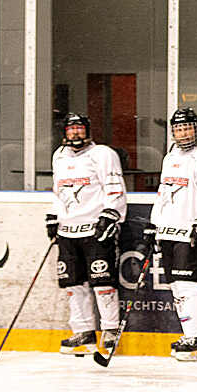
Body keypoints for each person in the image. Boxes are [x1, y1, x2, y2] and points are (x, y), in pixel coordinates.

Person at [146, 108, 197, 361]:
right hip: (168, 231)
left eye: (187, 128)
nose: (183, 133)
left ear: (196, 128)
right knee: (177, 287)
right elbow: (163, 195)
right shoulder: (170, 157)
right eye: (179, 129)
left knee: (189, 285)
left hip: (191, 232)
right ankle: (190, 335)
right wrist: (153, 224)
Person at [48, 113, 127, 355]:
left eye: (80, 128)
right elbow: (58, 191)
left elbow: (115, 187)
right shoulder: (59, 156)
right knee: (74, 285)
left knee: (103, 283)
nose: (75, 133)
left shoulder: (102, 154)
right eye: (71, 129)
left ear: (88, 130)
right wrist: (54, 215)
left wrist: (110, 214)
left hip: (95, 229)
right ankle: (83, 332)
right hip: (68, 231)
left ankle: (110, 330)